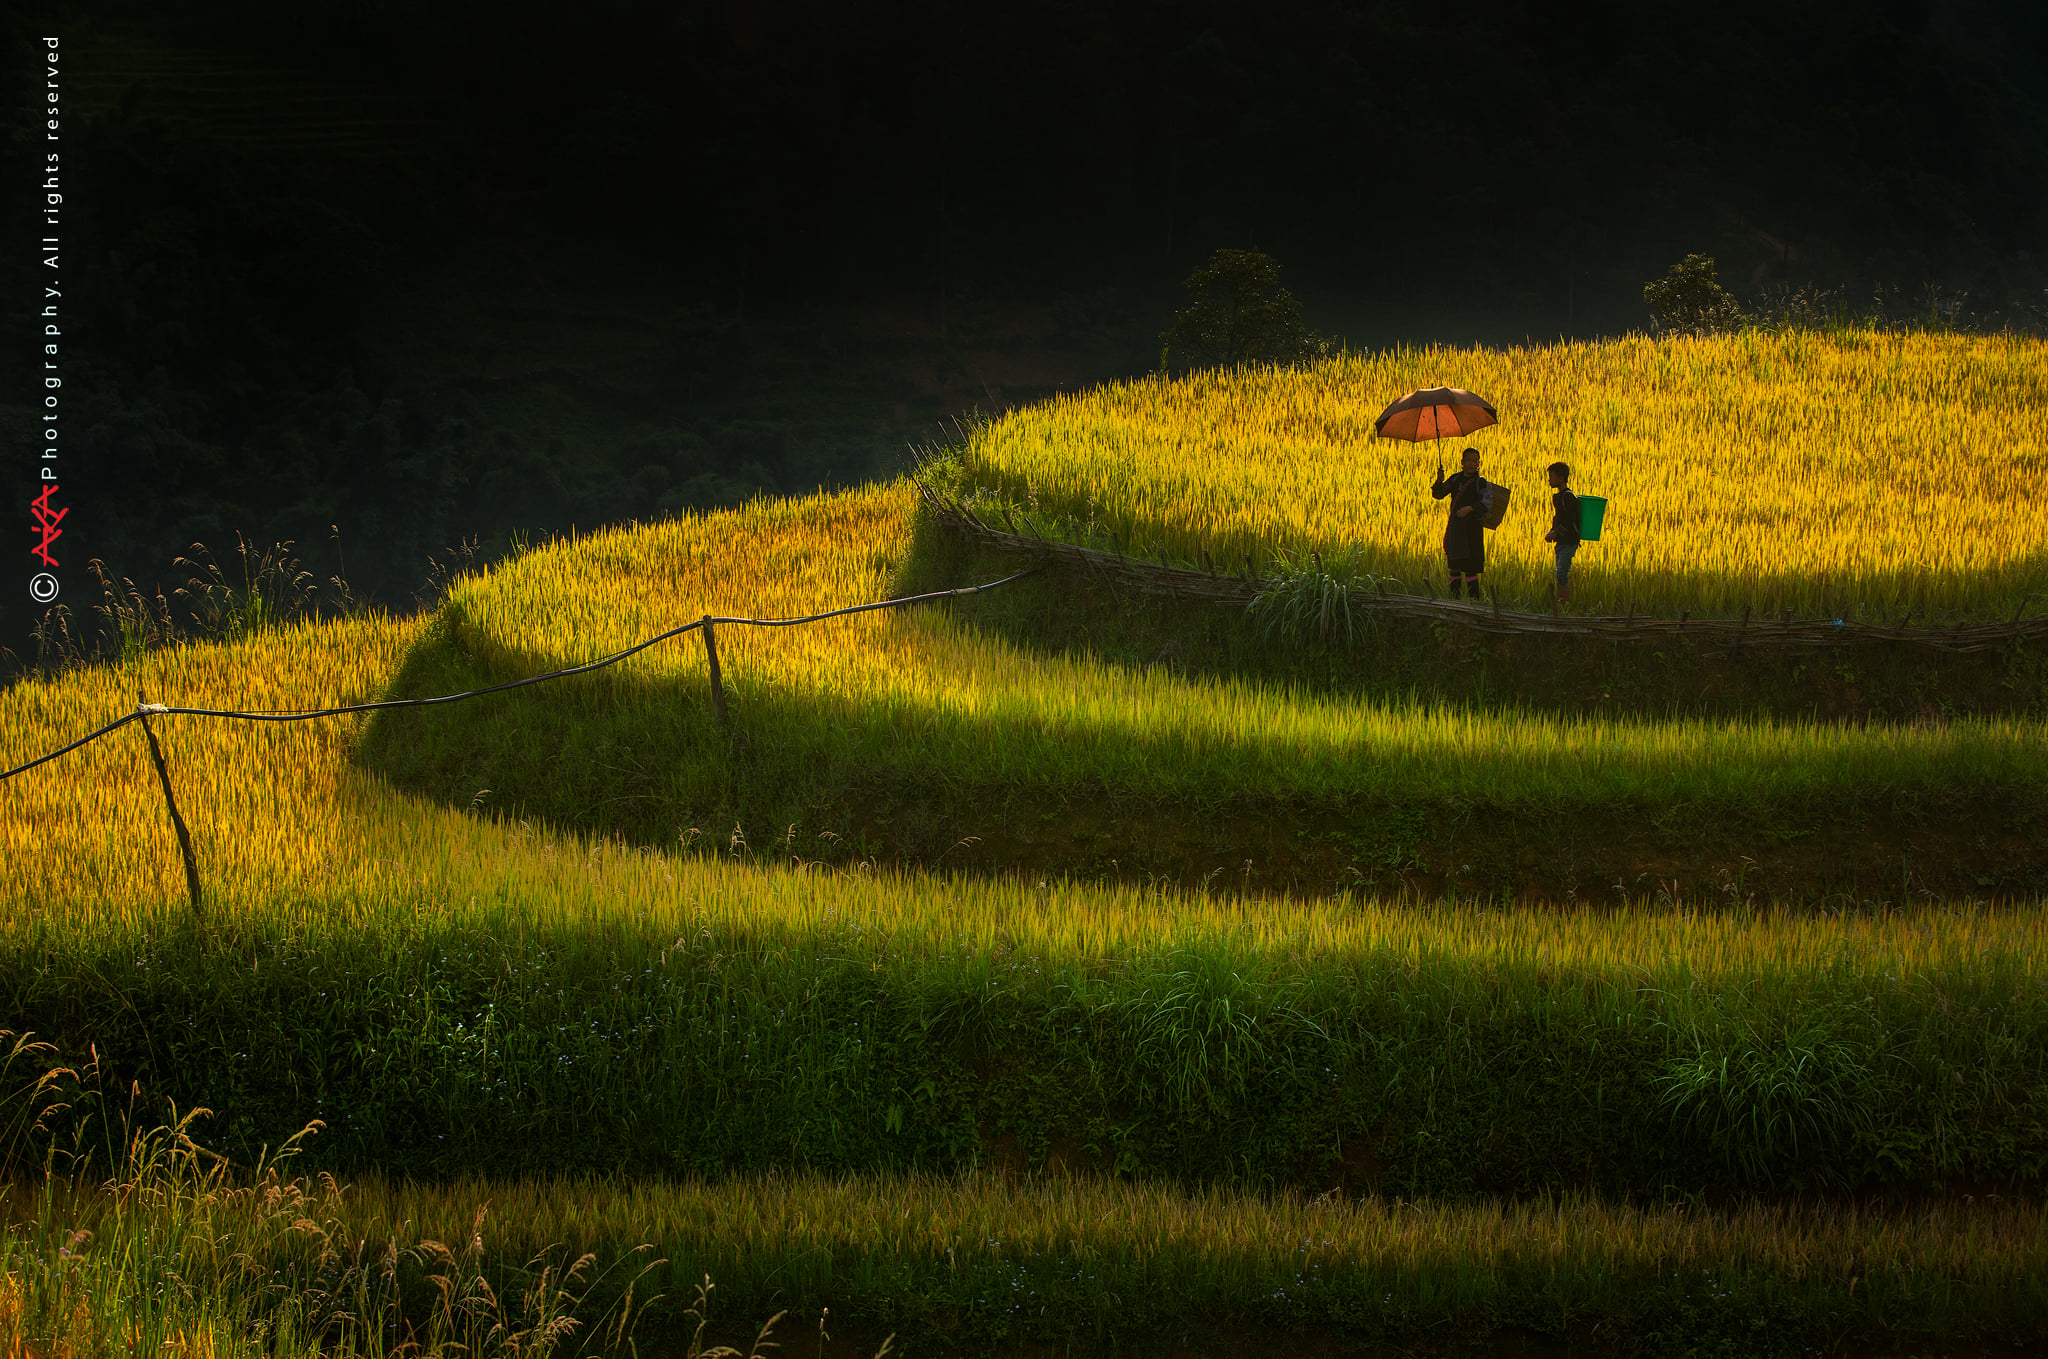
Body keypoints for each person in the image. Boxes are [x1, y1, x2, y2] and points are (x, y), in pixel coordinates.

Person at [1430, 446, 1493, 598]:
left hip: (1472, 530)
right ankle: (1454, 600)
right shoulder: (1455, 479)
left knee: (1470, 567)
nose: (1472, 464)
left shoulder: (1481, 483)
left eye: (1475, 461)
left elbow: (1486, 504)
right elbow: (1438, 494)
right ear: (1462, 462)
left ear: (1479, 464)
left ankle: (1475, 602)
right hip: (1456, 530)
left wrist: (1470, 508)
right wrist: (1439, 479)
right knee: (1454, 566)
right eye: (1469, 460)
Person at [1543, 461, 1581, 605]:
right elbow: (1559, 518)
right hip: (1562, 541)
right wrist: (1553, 532)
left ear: (1560, 478)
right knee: (1560, 572)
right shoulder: (1560, 496)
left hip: (1569, 541)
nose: (1549, 480)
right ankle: (1561, 604)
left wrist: (1556, 532)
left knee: (1562, 573)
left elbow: (1571, 518)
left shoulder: (1568, 496)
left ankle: (1564, 605)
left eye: (1551, 477)